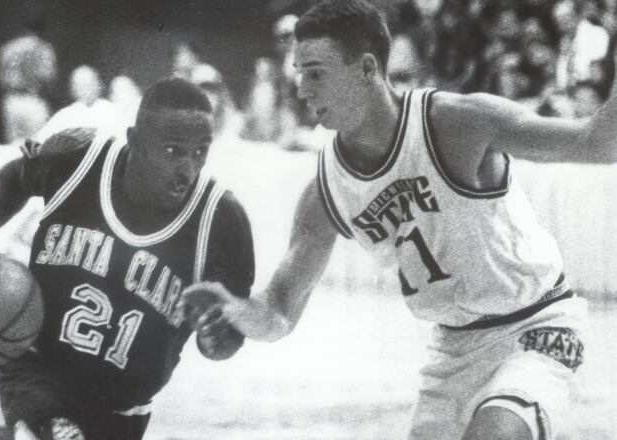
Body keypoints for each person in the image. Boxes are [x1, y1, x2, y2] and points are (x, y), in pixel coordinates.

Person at [182, 0, 617, 439]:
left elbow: (598, 142)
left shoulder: (455, 124)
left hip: (538, 323)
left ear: (367, 68)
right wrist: (237, 313)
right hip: (453, 349)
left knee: (494, 434)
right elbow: (278, 311)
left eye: (315, 73)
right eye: (299, 72)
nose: (301, 89)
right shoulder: (326, 190)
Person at [0, 77, 254, 440]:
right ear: (135, 142)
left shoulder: (222, 221)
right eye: (174, 151)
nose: (188, 169)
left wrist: (214, 339)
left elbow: (229, 340)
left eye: (200, 151)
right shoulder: (78, 158)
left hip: (124, 410)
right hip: (38, 372)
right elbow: (15, 177)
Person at [0, 16, 58, 143]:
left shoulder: (8, 48)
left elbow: (0, 79)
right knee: (36, 146)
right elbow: (48, 77)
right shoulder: (43, 48)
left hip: (12, 100)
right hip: (33, 100)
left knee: (14, 148)